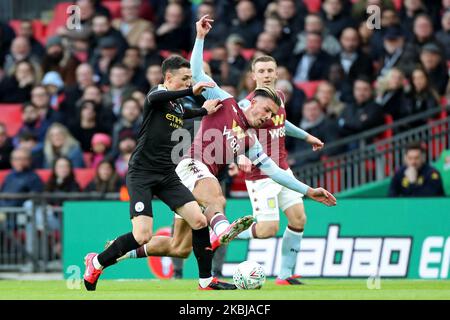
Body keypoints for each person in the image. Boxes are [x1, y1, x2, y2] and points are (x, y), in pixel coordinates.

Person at [115, 15, 336, 277]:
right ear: (251, 102)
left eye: (269, 115)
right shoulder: (227, 101)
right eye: (264, 110)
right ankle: (220, 230)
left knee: (180, 248)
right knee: (217, 197)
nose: (266, 117)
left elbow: (275, 172)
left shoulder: (249, 141)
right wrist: (200, 37)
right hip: (189, 166)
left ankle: (119, 252)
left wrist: (309, 191)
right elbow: (197, 73)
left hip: (196, 180)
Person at [82, 54, 237, 291]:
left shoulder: (174, 104)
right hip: (142, 174)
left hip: (167, 174)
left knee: (198, 220)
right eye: (184, 78)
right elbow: (159, 96)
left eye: (190, 79)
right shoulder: (156, 94)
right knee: (142, 235)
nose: (188, 82)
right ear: (168, 77)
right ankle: (97, 262)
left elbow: (181, 115)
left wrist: (203, 111)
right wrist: (191, 91)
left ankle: (206, 281)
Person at [235, 55, 326, 285]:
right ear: (253, 76)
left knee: (298, 219)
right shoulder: (247, 103)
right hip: (261, 174)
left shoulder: (279, 98)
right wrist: (240, 156)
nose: (266, 75)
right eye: (261, 71)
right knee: (267, 230)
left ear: (277, 74)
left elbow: (281, 123)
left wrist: (307, 136)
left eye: (270, 71)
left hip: (283, 169)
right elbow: (235, 129)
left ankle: (285, 275)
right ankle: (224, 234)